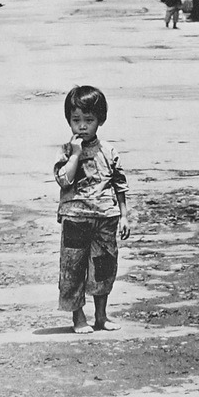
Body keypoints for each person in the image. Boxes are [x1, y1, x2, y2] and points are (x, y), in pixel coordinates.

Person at [54, 85, 130, 334]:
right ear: (69, 121)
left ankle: (101, 315)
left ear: (100, 120)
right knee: (73, 269)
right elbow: (64, 180)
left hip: (105, 217)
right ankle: (78, 318)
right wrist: (75, 155)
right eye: (76, 120)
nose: (83, 126)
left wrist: (124, 215)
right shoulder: (67, 151)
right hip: (75, 218)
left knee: (104, 268)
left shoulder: (108, 151)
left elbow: (119, 183)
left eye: (89, 120)